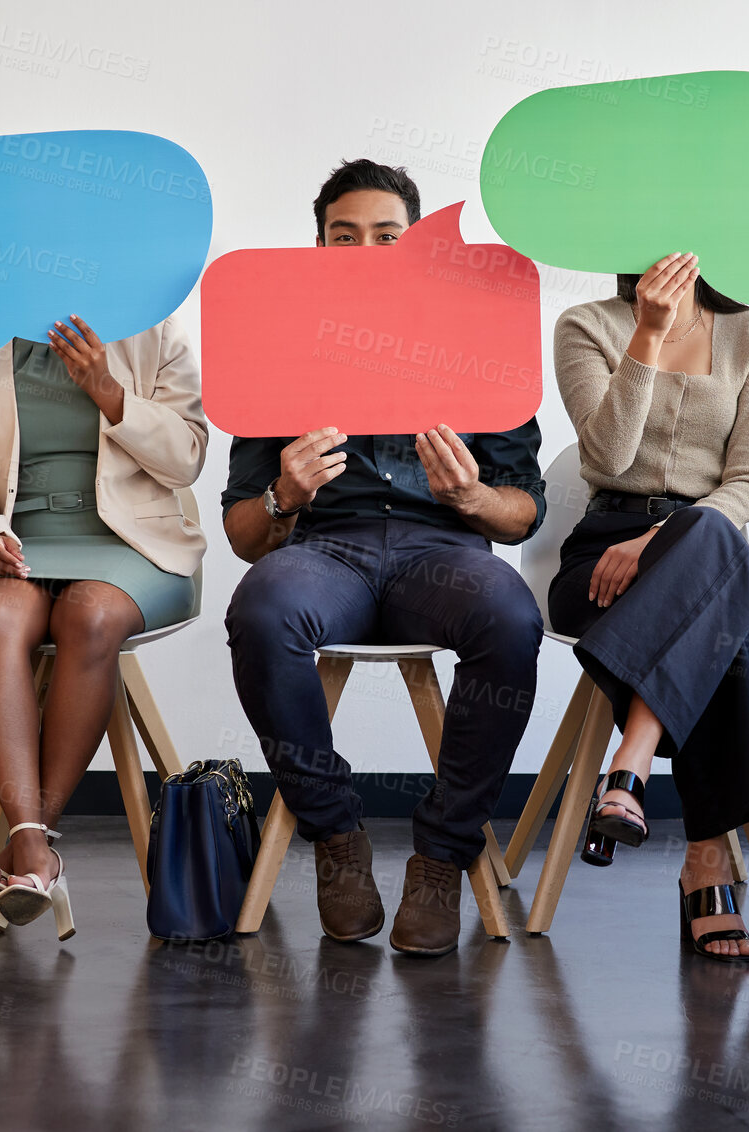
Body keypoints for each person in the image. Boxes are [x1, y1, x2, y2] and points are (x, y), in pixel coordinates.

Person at [222, 159, 546, 957]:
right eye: (344, 235)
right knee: (263, 609)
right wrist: (284, 498)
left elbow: (522, 511)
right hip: (328, 552)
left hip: (443, 552)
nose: (366, 248)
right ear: (318, 246)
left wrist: (471, 496)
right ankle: (334, 834)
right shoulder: (280, 346)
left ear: (416, 245)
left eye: (387, 234)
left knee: (509, 617)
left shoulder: (476, 339)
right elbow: (240, 534)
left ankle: (442, 852)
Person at [0, 309, 207, 941]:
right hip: (17, 536)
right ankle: (36, 849)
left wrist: (109, 392)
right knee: (0, 615)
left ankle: (27, 844)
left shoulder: (154, 325)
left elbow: (188, 457)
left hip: (130, 542)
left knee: (88, 616)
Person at [550, 253, 749, 963]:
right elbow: (607, 459)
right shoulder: (584, 326)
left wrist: (661, 538)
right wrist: (646, 336)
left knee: (709, 537)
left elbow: (748, 482)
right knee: (719, 643)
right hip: (600, 561)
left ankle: (629, 766)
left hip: (706, 546)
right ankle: (706, 865)